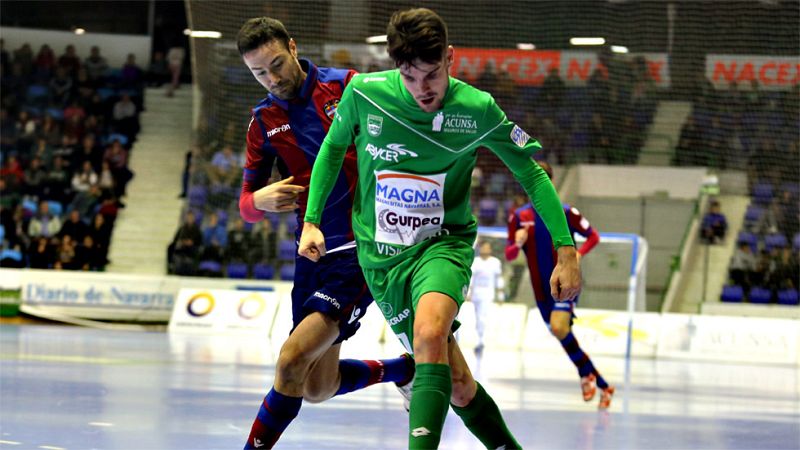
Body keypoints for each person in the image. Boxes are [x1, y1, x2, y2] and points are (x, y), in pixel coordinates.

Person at [298, 8, 581, 449]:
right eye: (410, 78)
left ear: (450, 58)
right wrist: (312, 221)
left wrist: (566, 250)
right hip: (382, 258)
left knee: (429, 333)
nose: (421, 90)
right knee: (460, 384)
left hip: (441, 246)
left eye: (431, 75)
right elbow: (332, 151)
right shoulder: (364, 95)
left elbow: (533, 174)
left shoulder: (478, 109)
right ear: (396, 68)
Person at [236, 17, 414, 449]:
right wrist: (258, 201)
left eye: (277, 64)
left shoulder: (348, 86)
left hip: (361, 248)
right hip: (312, 252)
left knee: (292, 360)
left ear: (293, 48)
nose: (272, 78)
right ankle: (402, 371)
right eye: (260, 72)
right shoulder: (262, 121)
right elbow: (246, 207)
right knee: (316, 387)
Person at [505, 161, 614, 409]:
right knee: (561, 333)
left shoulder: (565, 212)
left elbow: (593, 236)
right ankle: (602, 384)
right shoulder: (519, 217)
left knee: (558, 326)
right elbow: (510, 255)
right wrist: (517, 243)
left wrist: (579, 254)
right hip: (540, 289)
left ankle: (587, 377)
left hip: (565, 282)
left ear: (548, 181)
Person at [466, 241, 504, 354]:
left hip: (488, 293)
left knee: (482, 317)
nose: (485, 250)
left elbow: (498, 278)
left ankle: (480, 341)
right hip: (476, 293)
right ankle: (478, 338)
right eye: (483, 248)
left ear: (490, 250)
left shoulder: (495, 262)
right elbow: (471, 278)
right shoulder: (476, 262)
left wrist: (500, 295)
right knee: (477, 317)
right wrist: (468, 293)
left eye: (487, 248)